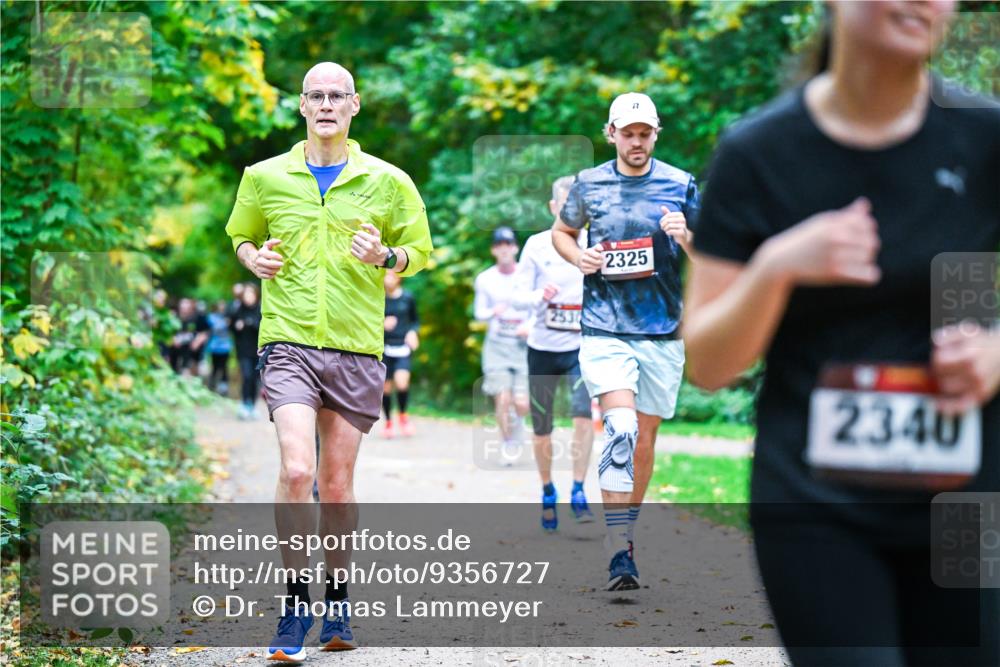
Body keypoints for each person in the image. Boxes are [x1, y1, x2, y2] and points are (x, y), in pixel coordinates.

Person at [683, 2, 999, 664]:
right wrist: (778, 266)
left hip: (966, 505)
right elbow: (709, 363)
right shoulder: (758, 152)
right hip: (815, 504)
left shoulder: (984, 139)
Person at [225, 61, 432, 662]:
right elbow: (240, 235)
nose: (325, 104)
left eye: (336, 96)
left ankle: (337, 600)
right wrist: (252, 259)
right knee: (297, 470)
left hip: (356, 345)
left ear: (354, 105)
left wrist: (386, 253)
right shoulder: (264, 177)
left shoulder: (389, 181)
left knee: (336, 483)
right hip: (287, 339)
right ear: (300, 105)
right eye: (315, 95)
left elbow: (420, 251)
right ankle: (294, 606)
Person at [552, 92, 699, 590]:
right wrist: (579, 258)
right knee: (621, 427)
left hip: (662, 331)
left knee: (645, 439)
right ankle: (618, 549)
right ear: (610, 133)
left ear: (656, 134)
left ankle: (627, 532)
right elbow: (562, 232)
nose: (636, 142)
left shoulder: (681, 184)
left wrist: (685, 238)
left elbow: (714, 255)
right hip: (605, 327)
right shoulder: (588, 184)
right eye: (627, 132)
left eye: (645, 133)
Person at [513, 176, 594, 532]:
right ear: (552, 207)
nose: (570, 213)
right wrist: (538, 298)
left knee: (583, 416)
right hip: (543, 348)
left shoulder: (593, 243)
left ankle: (578, 488)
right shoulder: (536, 245)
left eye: (576, 208)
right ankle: (548, 490)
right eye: (564, 207)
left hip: (580, 347)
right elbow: (517, 294)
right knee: (542, 427)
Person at [473, 226, 532, 461]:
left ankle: (518, 426)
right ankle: (508, 443)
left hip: (523, 345)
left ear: (516, 248)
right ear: (493, 250)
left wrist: (530, 326)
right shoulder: (485, 279)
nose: (504, 249)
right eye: (499, 245)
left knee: (521, 402)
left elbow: (539, 306)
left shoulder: (526, 276)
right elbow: (479, 313)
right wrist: (491, 312)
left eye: (508, 244)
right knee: (503, 398)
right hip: (497, 345)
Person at [381, 271, 420, 438]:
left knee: (402, 382)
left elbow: (415, 321)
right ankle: (388, 422)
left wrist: (413, 332)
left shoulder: (408, 297)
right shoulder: (377, 298)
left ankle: (403, 416)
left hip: (403, 347)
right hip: (383, 347)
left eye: (392, 275)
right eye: (386, 275)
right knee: (386, 388)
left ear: (399, 277)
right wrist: (381, 323)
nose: (388, 278)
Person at [230, 283, 262, 420]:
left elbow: (261, 327)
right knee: (246, 376)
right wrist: (237, 326)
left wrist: (248, 323)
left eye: (251, 294)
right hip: (243, 350)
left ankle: (253, 405)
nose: (248, 297)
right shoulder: (238, 310)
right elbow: (231, 327)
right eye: (246, 294)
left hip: (257, 351)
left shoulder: (261, 310)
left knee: (255, 379)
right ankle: (244, 404)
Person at [169, 297, 210, 376]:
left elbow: (206, 332)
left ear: (191, 306)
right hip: (175, 353)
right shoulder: (173, 317)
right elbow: (167, 333)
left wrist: (197, 341)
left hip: (192, 354)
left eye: (187, 305)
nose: (184, 307)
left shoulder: (198, 317)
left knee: (190, 373)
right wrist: (173, 339)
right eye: (183, 305)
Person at [206, 300, 233, 395]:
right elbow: (215, 328)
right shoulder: (211, 317)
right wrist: (225, 323)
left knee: (224, 367)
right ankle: (211, 386)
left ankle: (224, 388)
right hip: (215, 347)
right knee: (214, 367)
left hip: (225, 347)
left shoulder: (227, 317)